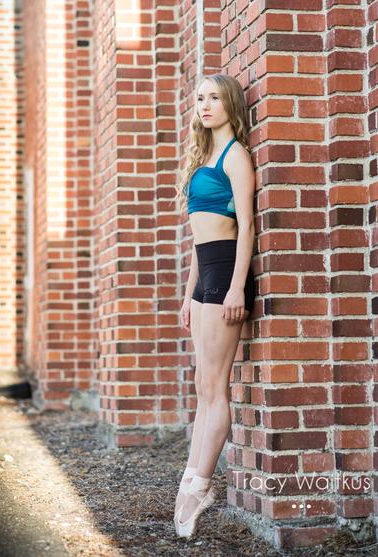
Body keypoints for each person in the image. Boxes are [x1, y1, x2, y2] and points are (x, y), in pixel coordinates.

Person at [173, 73, 256, 539]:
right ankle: (191, 479)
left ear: (230, 105)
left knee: (216, 388)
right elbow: (196, 240)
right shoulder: (202, 156)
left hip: (227, 273)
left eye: (214, 98)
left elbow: (245, 226)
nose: (205, 105)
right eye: (200, 98)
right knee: (203, 388)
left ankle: (201, 485)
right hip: (206, 272)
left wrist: (236, 288)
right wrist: (189, 293)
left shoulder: (235, 156)